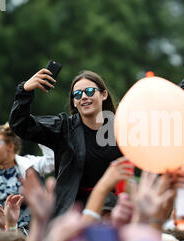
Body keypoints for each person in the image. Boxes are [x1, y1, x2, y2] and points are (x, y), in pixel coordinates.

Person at [9, 68, 126, 218]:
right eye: (77, 94)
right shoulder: (64, 128)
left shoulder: (120, 129)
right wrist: (24, 90)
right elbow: (21, 125)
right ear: (74, 102)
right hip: (72, 212)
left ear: (104, 95)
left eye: (89, 91)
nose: (83, 97)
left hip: (112, 211)